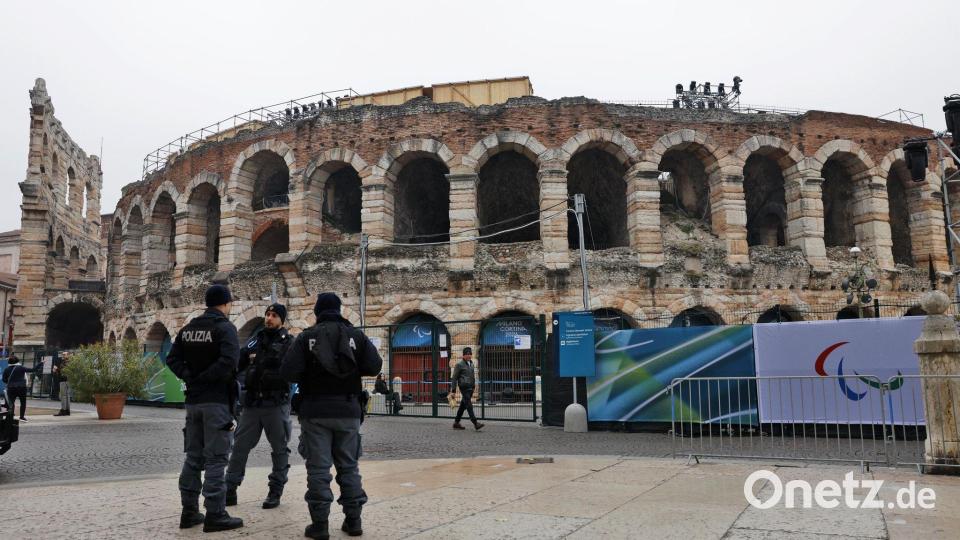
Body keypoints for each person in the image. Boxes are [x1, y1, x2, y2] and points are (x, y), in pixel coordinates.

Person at [281, 292, 382, 539]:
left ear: (317, 312)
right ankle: (353, 521)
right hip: (348, 410)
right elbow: (374, 366)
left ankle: (320, 525)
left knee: (318, 469)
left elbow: (288, 371)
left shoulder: (307, 337)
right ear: (339, 310)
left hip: (315, 411)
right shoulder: (355, 335)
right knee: (349, 466)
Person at [165, 284, 244, 533]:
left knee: (193, 457)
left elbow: (172, 359)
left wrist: (190, 376)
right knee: (216, 459)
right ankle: (215, 514)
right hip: (217, 401)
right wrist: (207, 377)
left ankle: (189, 512)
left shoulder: (189, 329)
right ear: (226, 303)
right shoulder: (225, 328)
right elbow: (230, 362)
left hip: (194, 402)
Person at [225, 303, 293, 510]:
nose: (269, 318)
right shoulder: (256, 340)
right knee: (239, 448)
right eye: (267, 314)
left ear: (282, 320)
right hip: (253, 405)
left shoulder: (289, 342)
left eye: (274, 315)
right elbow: (238, 364)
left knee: (280, 449)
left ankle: (275, 491)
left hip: (276, 404)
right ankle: (230, 489)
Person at [449, 347, 484, 431]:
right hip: (464, 387)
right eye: (467, 354)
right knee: (469, 405)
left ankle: (456, 423)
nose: (469, 355)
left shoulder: (471, 363)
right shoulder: (459, 365)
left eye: (470, 354)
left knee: (462, 406)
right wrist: (453, 390)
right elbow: (454, 378)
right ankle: (475, 423)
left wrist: (473, 386)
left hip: (471, 388)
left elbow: (472, 376)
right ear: (463, 355)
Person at [2, 356, 36, 421]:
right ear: (17, 361)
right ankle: (22, 417)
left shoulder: (7, 369)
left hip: (11, 388)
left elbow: (4, 379)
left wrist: (10, 382)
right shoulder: (21, 368)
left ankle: (10, 417)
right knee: (23, 402)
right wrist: (41, 363)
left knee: (11, 403)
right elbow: (33, 370)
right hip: (22, 388)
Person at [52, 352, 71, 416]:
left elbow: (56, 370)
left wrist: (56, 369)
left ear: (68, 355)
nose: (63, 355)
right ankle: (67, 411)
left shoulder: (63, 362)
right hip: (69, 380)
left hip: (63, 380)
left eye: (64, 354)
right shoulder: (71, 361)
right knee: (67, 396)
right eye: (62, 354)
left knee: (63, 396)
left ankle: (63, 410)